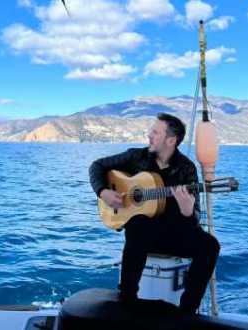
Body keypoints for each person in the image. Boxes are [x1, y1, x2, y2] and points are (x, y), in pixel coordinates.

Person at [89, 113, 220, 314]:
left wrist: (187, 213)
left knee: (210, 245)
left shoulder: (186, 169)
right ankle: (127, 299)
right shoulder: (136, 157)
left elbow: (194, 218)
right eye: (151, 131)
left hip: (175, 235)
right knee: (138, 223)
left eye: (155, 132)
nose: (149, 135)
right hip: (143, 236)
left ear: (171, 140)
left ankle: (187, 312)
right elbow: (97, 166)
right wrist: (103, 192)